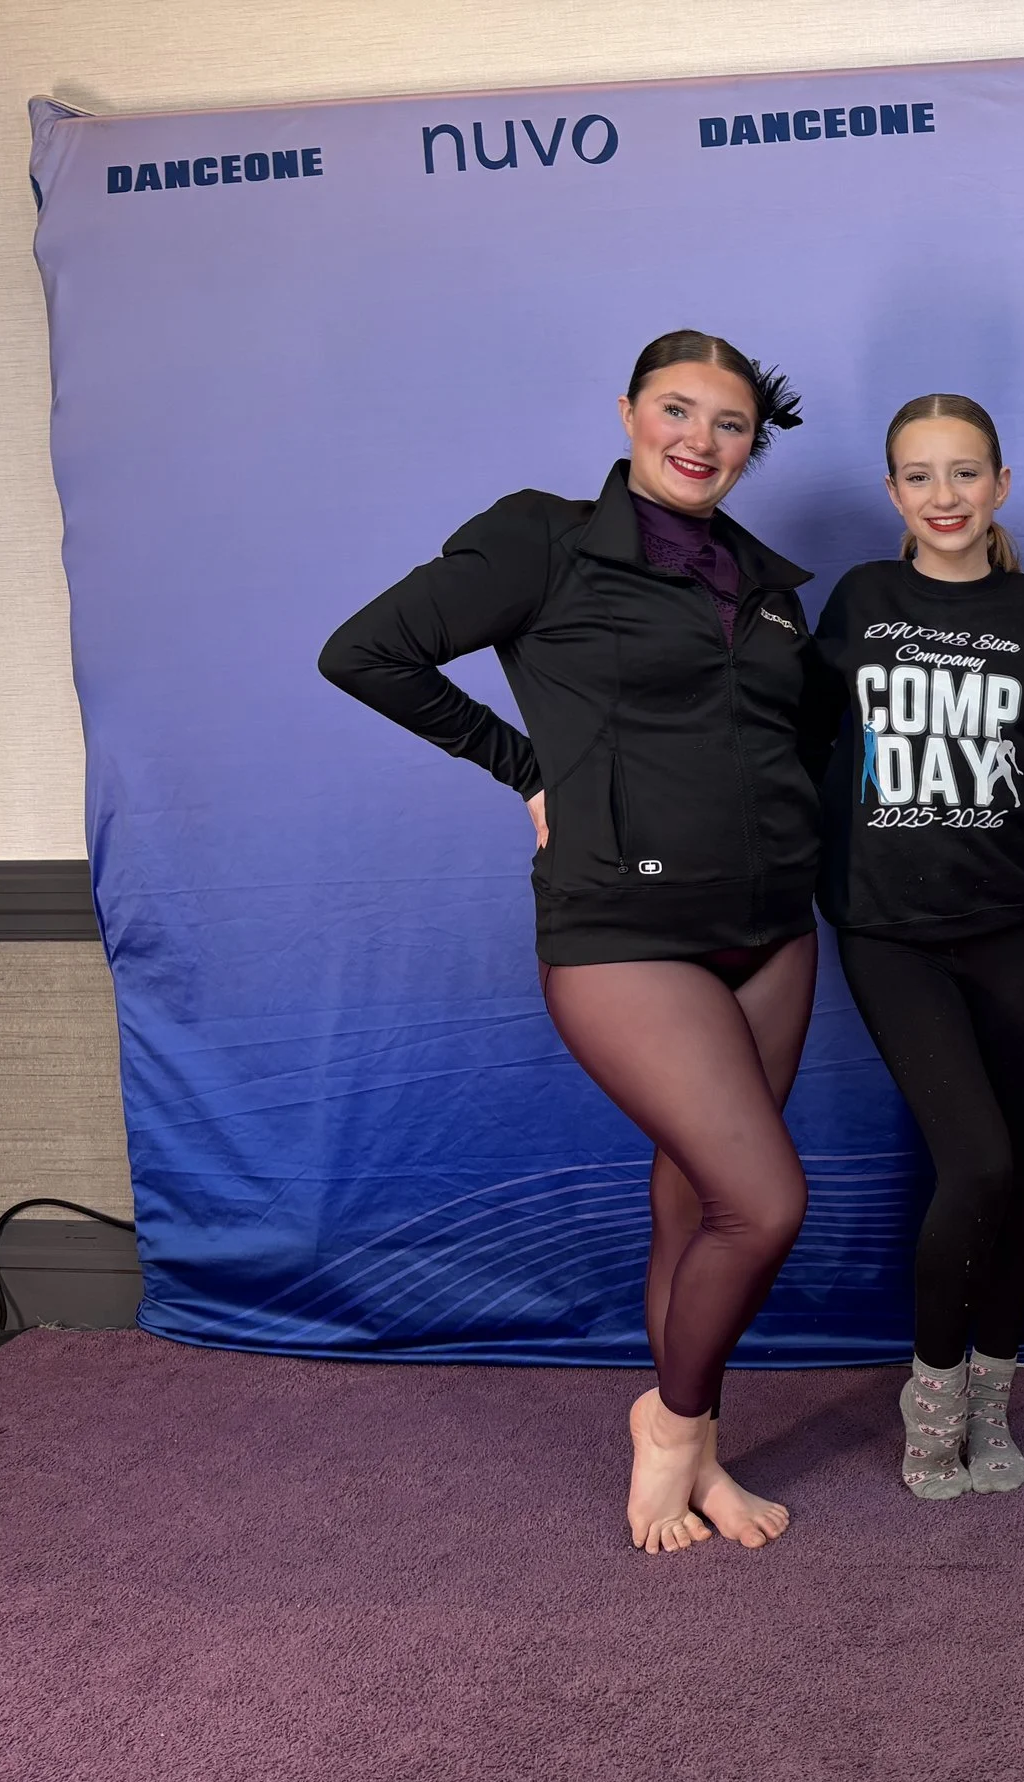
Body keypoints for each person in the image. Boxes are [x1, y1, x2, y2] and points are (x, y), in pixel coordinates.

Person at [320, 330, 831, 1556]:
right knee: (763, 1204)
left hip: (770, 927)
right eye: (677, 408)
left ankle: (699, 1452)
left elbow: (783, 738)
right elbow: (365, 652)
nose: (700, 439)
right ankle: (671, 1419)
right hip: (621, 927)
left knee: (695, 1202)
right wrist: (525, 767)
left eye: (729, 422)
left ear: (754, 444)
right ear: (627, 412)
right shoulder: (543, 538)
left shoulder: (765, 579)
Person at [808, 394, 1024, 1500]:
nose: (945, 497)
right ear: (893, 495)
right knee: (973, 1159)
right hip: (891, 929)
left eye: (965, 473)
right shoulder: (861, 602)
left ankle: (993, 1390)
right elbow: (798, 737)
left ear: (1002, 484)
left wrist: (1022, 791)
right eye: (920, 477)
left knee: (1017, 1169)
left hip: (1013, 920)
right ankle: (931, 1386)